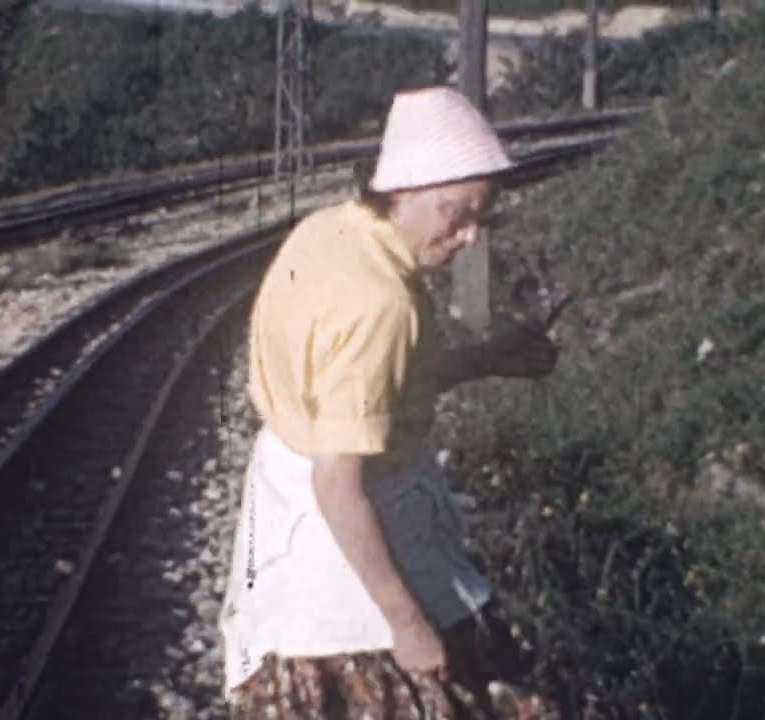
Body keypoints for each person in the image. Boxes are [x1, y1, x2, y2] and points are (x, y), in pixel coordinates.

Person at [219, 86, 562, 719]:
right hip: (349, 548)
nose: (468, 235)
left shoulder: (329, 231)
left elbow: (360, 388)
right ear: (402, 187)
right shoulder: (381, 302)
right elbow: (338, 484)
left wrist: (484, 359)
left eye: (481, 215)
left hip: (289, 511)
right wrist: (405, 623)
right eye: (455, 212)